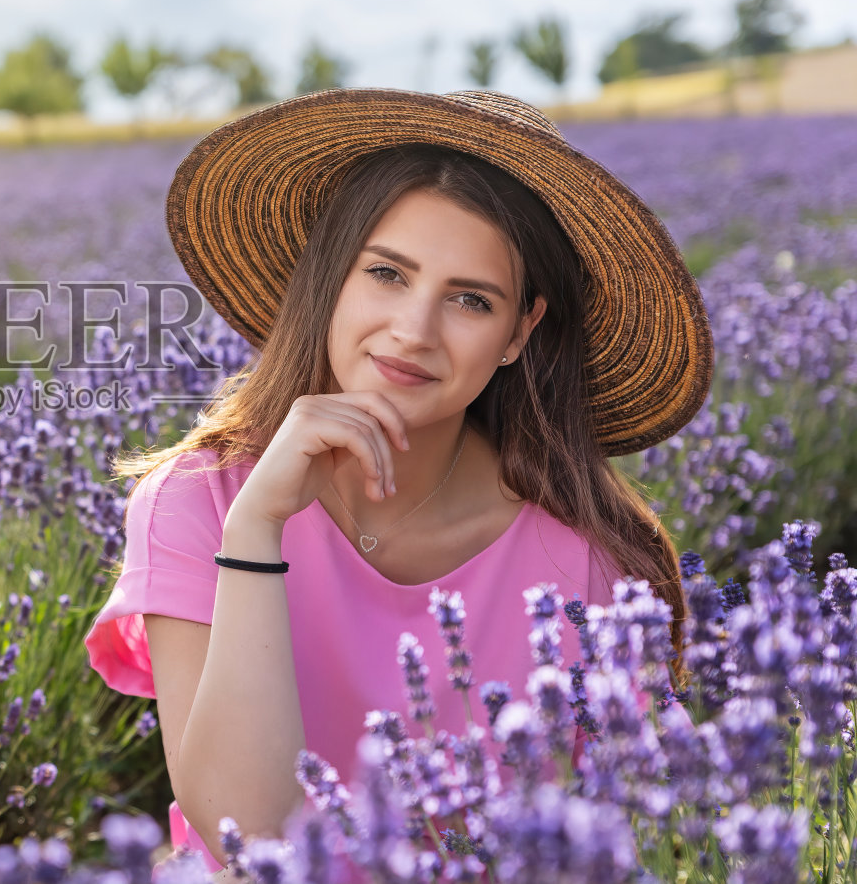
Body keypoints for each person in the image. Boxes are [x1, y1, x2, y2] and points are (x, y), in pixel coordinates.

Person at [82, 88, 714, 880]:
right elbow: (249, 832)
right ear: (330, 278)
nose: (414, 330)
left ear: (519, 332)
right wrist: (256, 529)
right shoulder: (200, 498)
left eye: (470, 299)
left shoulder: (582, 562)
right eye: (387, 272)